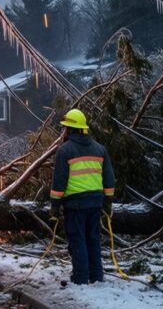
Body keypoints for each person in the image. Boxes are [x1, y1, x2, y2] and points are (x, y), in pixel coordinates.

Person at [49, 108, 116, 285]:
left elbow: (59, 181)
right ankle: (96, 276)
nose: (63, 131)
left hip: (75, 205)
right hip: (95, 203)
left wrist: (54, 206)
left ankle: (80, 278)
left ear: (70, 129)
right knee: (93, 239)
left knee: (77, 239)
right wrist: (108, 202)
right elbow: (109, 178)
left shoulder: (65, 150)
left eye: (65, 128)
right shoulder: (100, 149)